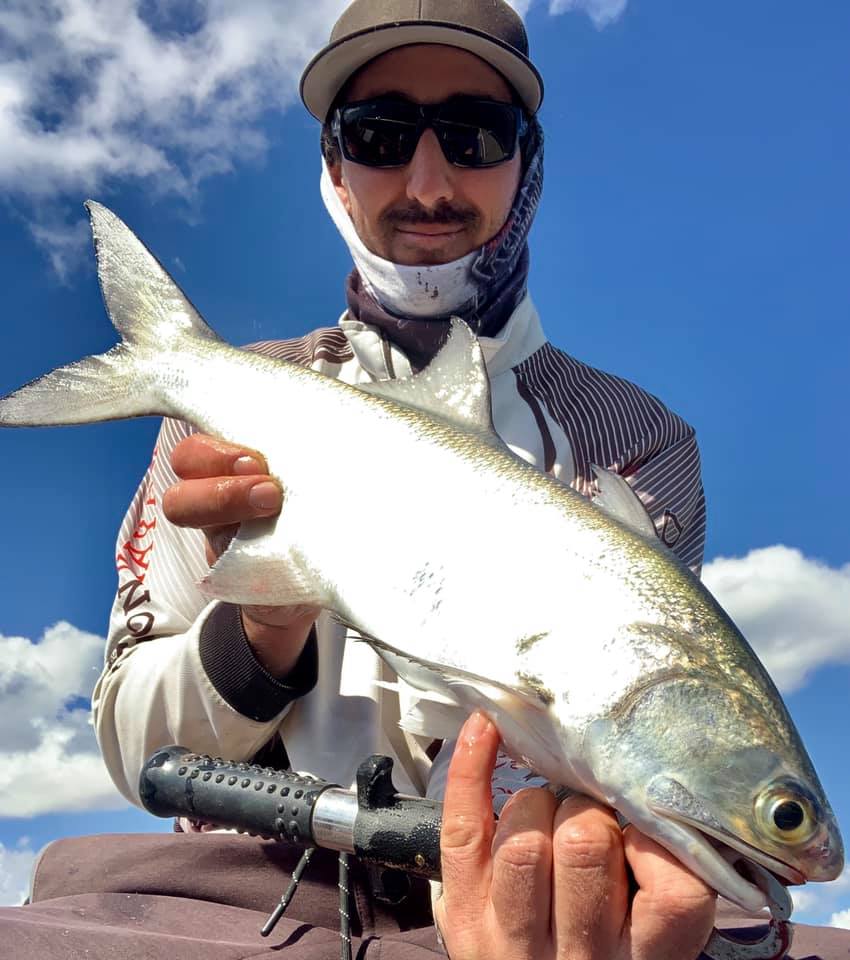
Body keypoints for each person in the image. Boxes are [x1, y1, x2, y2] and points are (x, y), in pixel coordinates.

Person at [2, 2, 846, 958]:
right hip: (249, 888)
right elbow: (128, 743)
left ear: (528, 162)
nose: (430, 181)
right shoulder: (221, 409)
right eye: (380, 134)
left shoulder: (645, 439)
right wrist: (263, 621)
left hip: (531, 899)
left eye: (477, 134)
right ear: (333, 167)